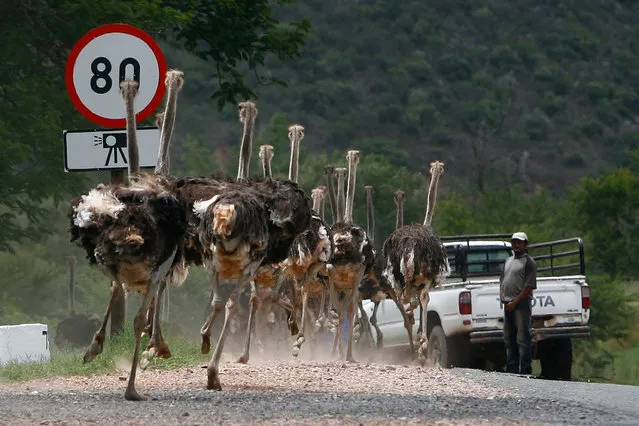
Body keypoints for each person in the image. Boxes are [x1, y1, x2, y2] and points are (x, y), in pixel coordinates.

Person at [499, 231, 537, 375]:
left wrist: (515, 302)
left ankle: (525, 369)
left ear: (525, 245)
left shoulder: (529, 262)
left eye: (519, 242)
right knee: (509, 338)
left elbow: (528, 287)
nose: (516, 244)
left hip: (521, 304)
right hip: (508, 303)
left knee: (523, 338)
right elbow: (502, 280)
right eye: (514, 242)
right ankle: (512, 369)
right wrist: (502, 295)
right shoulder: (508, 261)